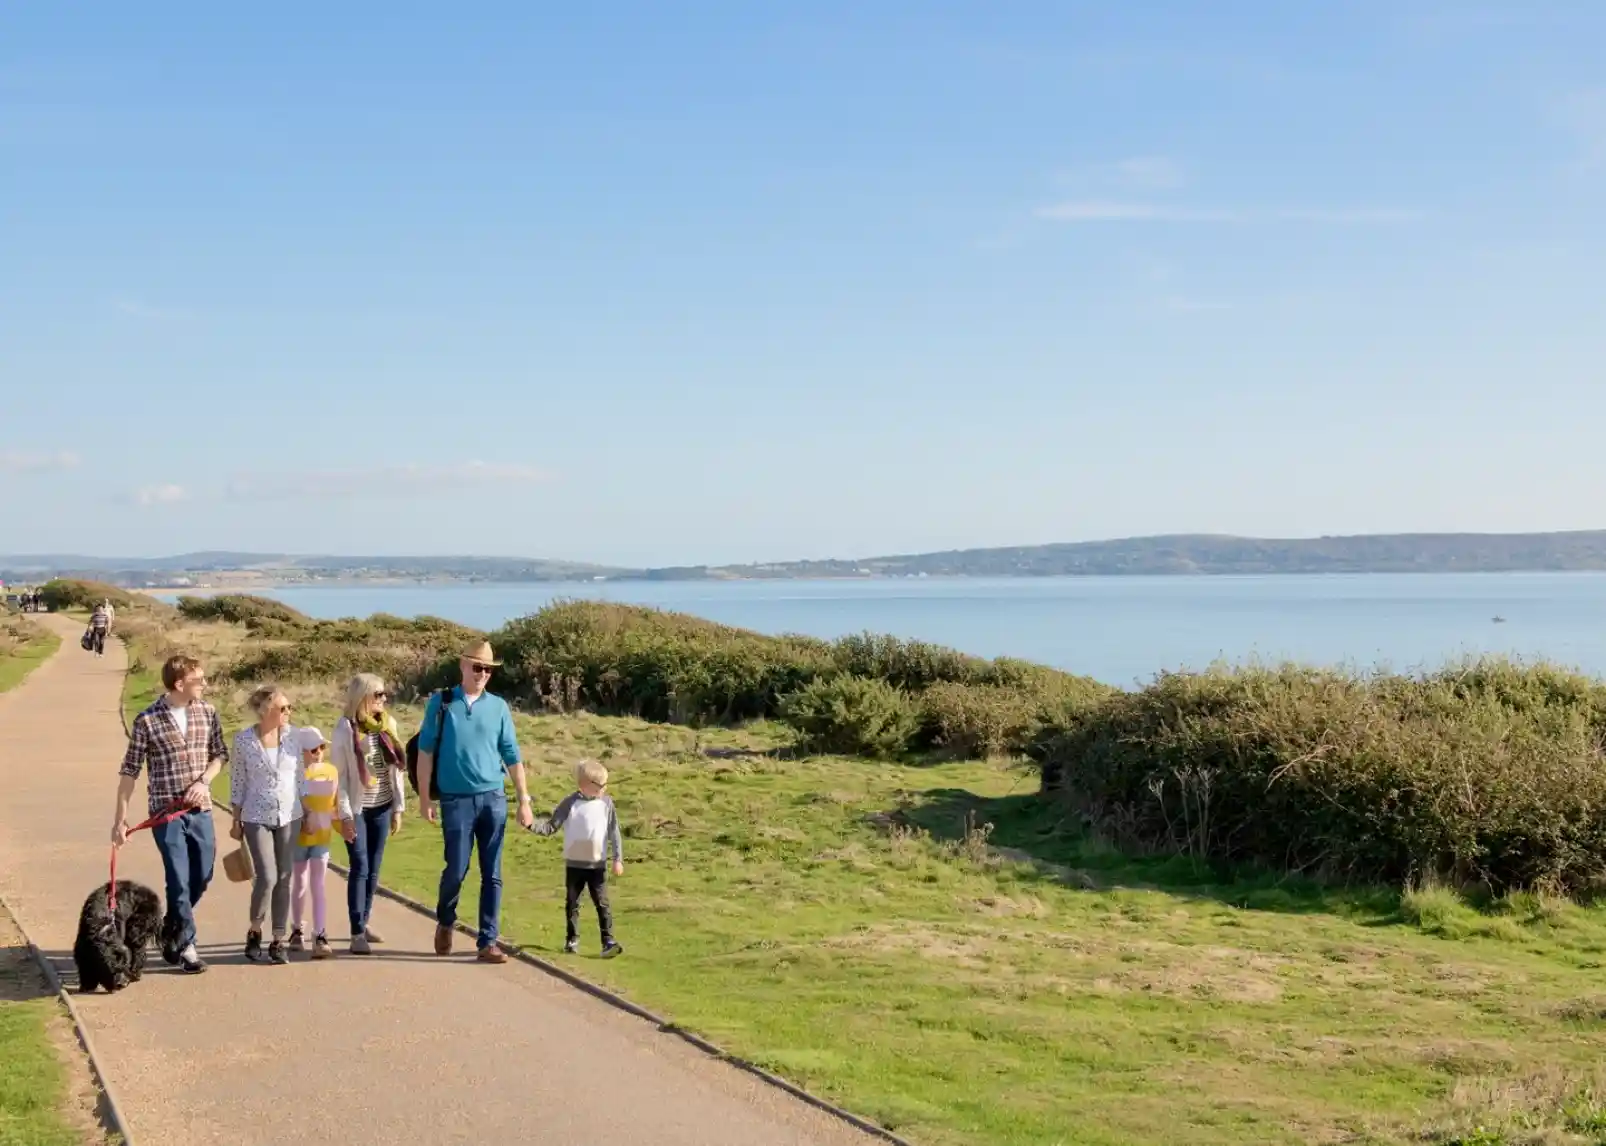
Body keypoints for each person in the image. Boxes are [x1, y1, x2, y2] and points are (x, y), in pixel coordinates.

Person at [415, 640, 534, 964]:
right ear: (463, 666)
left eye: (487, 669)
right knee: (456, 868)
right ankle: (445, 920)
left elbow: (512, 755)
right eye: (477, 667)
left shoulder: (498, 707)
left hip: (493, 797)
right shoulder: (441, 703)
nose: (482, 674)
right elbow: (425, 752)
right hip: (455, 800)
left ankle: (488, 940)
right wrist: (424, 798)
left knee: (492, 873)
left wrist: (524, 800)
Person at [112, 653, 226, 975]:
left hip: (201, 809)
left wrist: (204, 781)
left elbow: (219, 754)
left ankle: (169, 928)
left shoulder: (208, 712)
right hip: (166, 815)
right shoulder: (147, 721)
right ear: (179, 684)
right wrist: (119, 819)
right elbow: (129, 772)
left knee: (201, 877)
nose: (204, 685)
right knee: (178, 879)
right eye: (199, 680)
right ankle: (188, 947)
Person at [331, 673, 406, 955]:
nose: (384, 699)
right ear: (362, 697)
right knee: (359, 865)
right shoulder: (344, 730)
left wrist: (398, 809)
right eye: (378, 695)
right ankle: (356, 932)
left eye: (385, 694)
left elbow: (395, 773)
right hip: (357, 807)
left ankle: (364, 920)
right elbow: (338, 777)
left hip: (382, 806)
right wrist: (345, 815)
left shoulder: (388, 725)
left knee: (374, 868)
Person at [229, 685, 301, 965]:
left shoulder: (294, 738)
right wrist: (235, 819)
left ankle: (278, 940)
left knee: (285, 877)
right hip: (255, 815)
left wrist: (306, 811)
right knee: (267, 876)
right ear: (265, 711)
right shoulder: (244, 740)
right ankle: (255, 929)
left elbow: (301, 777)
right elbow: (237, 782)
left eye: (289, 707)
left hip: (289, 814)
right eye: (283, 708)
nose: (288, 713)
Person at [534, 759, 625, 957]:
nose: (604, 789)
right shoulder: (570, 803)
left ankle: (608, 941)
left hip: (597, 866)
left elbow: (614, 832)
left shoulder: (607, 804)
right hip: (574, 866)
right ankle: (571, 940)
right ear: (584, 785)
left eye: (605, 785)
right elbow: (551, 826)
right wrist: (530, 824)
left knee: (602, 903)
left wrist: (618, 858)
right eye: (601, 785)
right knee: (573, 903)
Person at [290, 727, 339, 960]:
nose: (318, 752)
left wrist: (345, 823)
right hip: (299, 836)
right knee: (299, 882)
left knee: (318, 884)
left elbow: (337, 802)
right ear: (301, 752)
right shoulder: (293, 774)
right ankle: (297, 929)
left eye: (321, 747)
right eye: (313, 749)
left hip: (322, 836)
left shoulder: (331, 771)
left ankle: (320, 934)